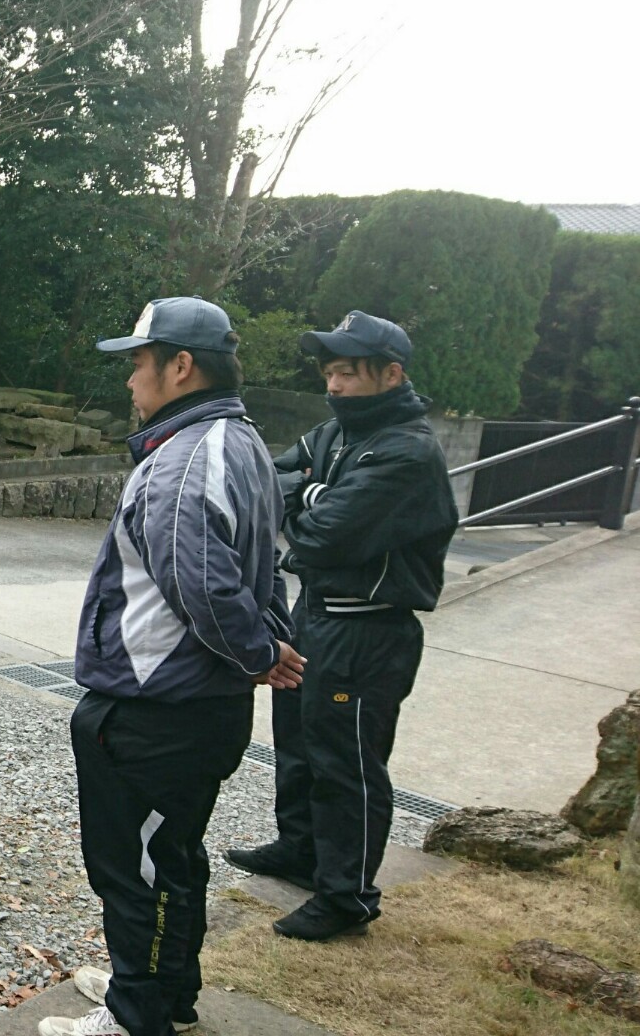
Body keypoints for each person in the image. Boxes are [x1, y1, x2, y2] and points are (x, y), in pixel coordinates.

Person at [50, 297, 303, 1036]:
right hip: (193, 705)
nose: (130, 382)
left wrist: (258, 651)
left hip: (158, 710)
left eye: (136, 363)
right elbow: (267, 567)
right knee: (169, 858)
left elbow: (207, 586)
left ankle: (136, 1014)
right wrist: (266, 644)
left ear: (179, 366)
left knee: (139, 870)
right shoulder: (241, 441)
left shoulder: (183, 463)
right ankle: (162, 991)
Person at [226, 311, 457, 942]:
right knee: (298, 739)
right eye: (330, 372)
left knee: (347, 763)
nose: (335, 384)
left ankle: (347, 895)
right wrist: (315, 492)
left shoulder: (406, 451)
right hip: (316, 613)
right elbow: (266, 478)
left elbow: (325, 536)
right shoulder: (338, 434)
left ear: (391, 374)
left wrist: (306, 498)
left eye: (349, 372)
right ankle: (301, 850)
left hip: (369, 629)